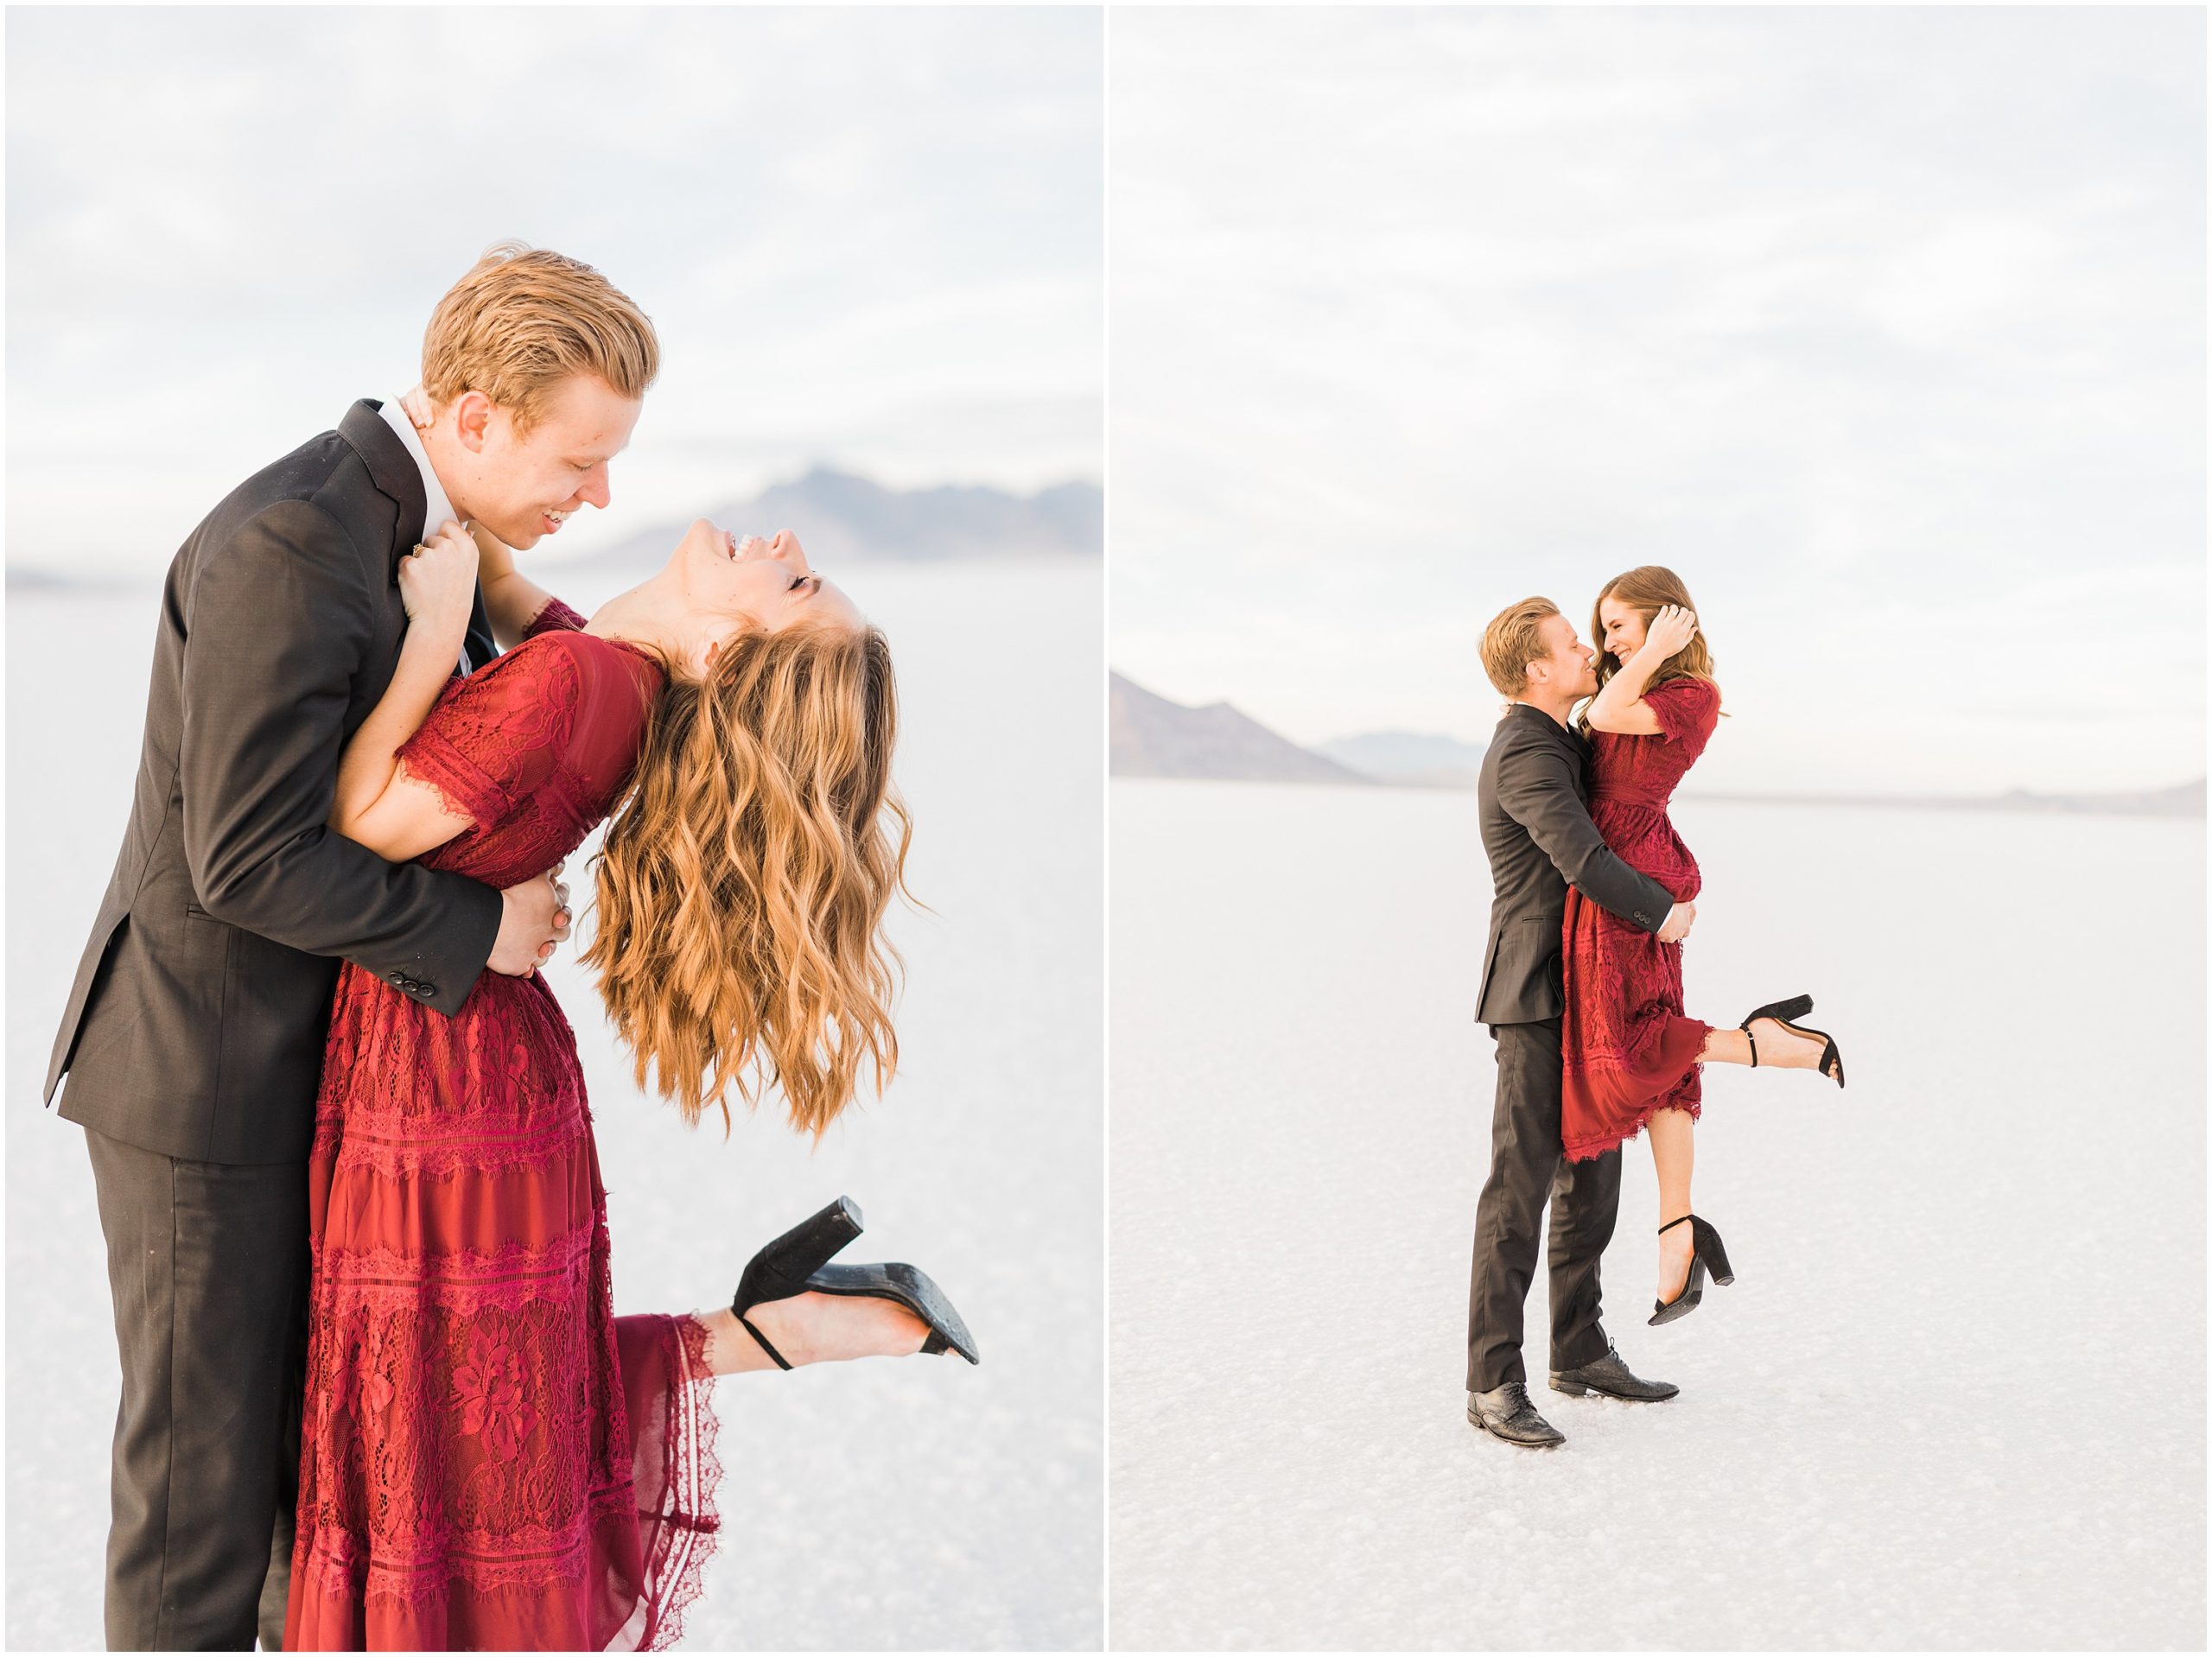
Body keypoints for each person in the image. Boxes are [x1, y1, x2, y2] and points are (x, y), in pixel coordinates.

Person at [42, 242, 629, 1650]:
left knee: (299, 1494)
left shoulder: (422, 536)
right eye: (581, 458)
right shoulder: (296, 539)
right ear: (475, 413)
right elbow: (241, 857)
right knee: (201, 1505)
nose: (600, 494)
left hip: (320, 1084)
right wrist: (475, 928)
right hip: (207, 1087)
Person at [281, 491, 976, 1651]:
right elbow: (519, 594)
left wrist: (424, 635)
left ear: (722, 652)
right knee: (494, 1415)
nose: (792, 545)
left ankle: (785, 1331)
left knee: (430, 1447)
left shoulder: (581, 683)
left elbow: (352, 824)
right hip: (487, 1057)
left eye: (798, 585)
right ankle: (782, 1328)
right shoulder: (610, 664)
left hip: (437, 1075)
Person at [1560, 566, 1843, 1328]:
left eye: (1620, 625)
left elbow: (1614, 710)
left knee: (1631, 1043)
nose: (1608, 640)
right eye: (1606, 628)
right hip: (1608, 876)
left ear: (1664, 621)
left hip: (1633, 878)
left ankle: (1765, 1044)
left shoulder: (1689, 695)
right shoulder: (1636, 683)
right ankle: (1676, 1233)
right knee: (1653, 1063)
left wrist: (1647, 654)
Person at [1465, 597, 1692, 1450]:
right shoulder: (1523, 750)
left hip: (1590, 986)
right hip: (1533, 995)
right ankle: (1491, 1381)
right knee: (1518, 1187)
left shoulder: (1564, 737)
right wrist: (1661, 911)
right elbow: (1583, 860)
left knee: (1593, 1176)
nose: (1589, 650)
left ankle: (1579, 1346)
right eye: (1572, 644)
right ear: (1535, 669)